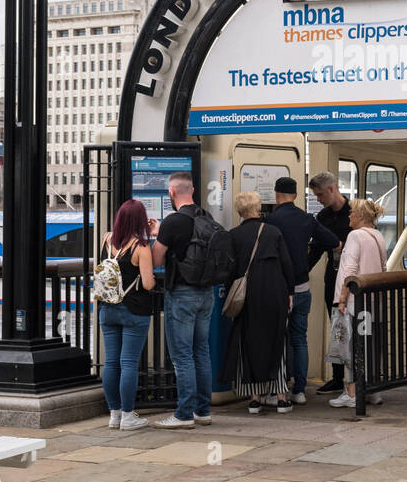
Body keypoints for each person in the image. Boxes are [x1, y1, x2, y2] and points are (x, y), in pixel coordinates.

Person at [265, 175, 341, 404]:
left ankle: (279, 388)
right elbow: (334, 242)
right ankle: (299, 390)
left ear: (276, 195)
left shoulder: (271, 221)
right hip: (302, 288)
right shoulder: (307, 219)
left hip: (279, 288)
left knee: (278, 338)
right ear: (296, 195)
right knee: (299, 338)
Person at [149, 171, 213, 429]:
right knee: (201, 352)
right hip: (206, 293)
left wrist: (159, 233)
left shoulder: (173, 222)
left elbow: (156, 260)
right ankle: (203, 411)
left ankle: (184, 414)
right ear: (193, 190)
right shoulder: (206, 217)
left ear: (172, 193)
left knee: (182, 356)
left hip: (182, 294)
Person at [223, 191, 297, 414]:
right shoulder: (273, 232)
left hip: (247, 297)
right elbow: (287, 265)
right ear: (258, 209)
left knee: (250, 343)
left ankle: (255, 399)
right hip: (275, 294)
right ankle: (282, 398)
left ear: (239, 212)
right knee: (278, 343)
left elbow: (229, 270)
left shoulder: (233, 235)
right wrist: (290, 293)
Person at [99, 200, 157, 430]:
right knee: (129, 362)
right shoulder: (141, 247)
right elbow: (149, 283)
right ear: (140, 220)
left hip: (108, 308)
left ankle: (114, 415)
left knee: (111, 362)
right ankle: (128, 416)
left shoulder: (107, 239)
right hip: (134, 310)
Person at [329, 197, 388, 408]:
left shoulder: (355, 236)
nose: (349, 216)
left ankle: (352, 393)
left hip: (354, 301)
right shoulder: (377, 236)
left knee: (349, 347)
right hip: (373, 301)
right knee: (369, 346)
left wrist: (342, 299)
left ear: (360, 216)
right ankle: (371, 390)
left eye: (352, 213)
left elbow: (349, 271)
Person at [307, 172, 351, 395]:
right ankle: (337, 377)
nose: (318, 199)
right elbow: (315, 250)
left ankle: (356, 378)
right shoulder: (323, 218)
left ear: (332, 189)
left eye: (321, 194)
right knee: (336, 327)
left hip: (353, 280)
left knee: (355, 328)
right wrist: (299, 271)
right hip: (333, 277)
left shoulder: (356, 213)